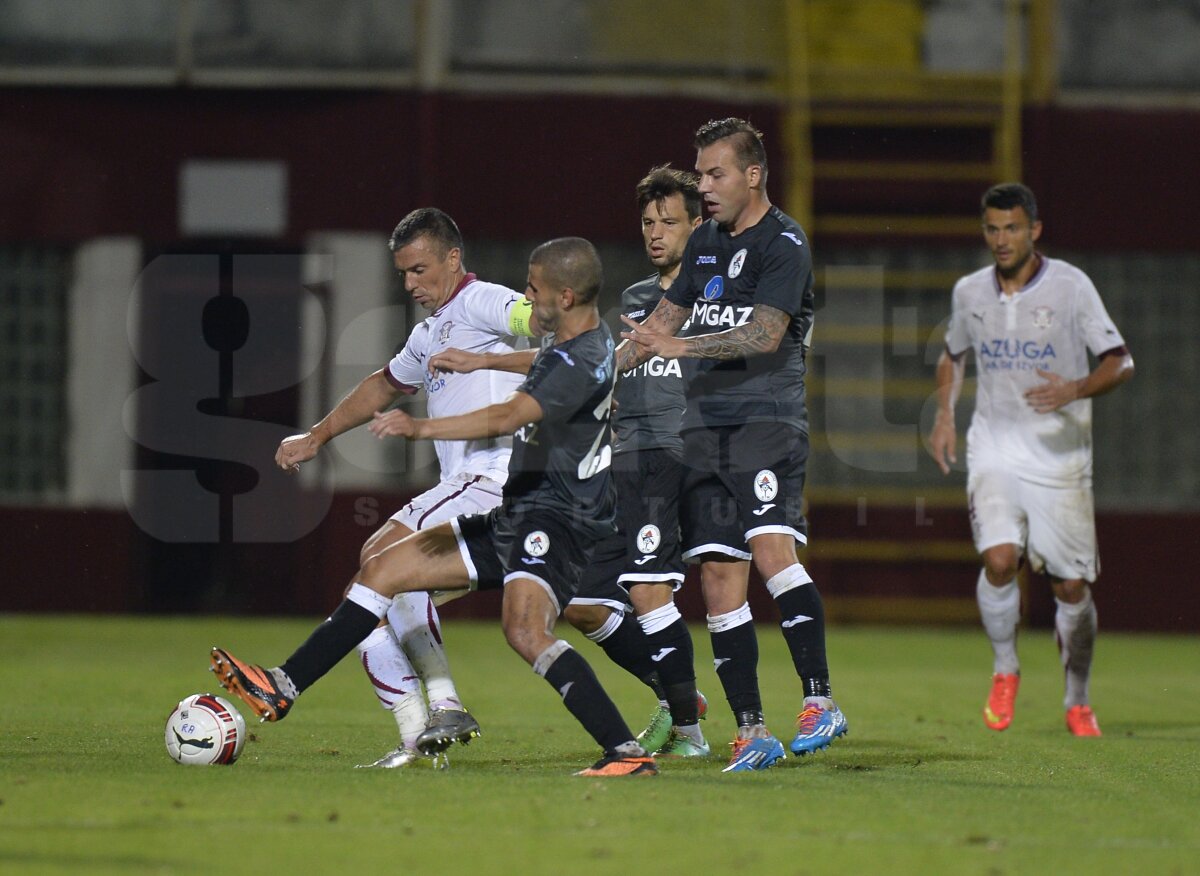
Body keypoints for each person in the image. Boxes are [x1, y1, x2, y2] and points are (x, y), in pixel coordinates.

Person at [213, 237, 659, 777]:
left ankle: (449, 709)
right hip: (517, 513)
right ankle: (285, 686)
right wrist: (481, 360)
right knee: (396, 576)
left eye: (534, 289)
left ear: (562, 297)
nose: (527, 295)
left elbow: (509, 412)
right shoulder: (570, 345)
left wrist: (419, 426)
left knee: (431, 585)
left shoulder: (538, 335)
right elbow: (403, 379)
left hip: (546, 515)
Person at [431, 165, 711, 759]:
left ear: (699, 224)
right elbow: (586, 362)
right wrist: (484, 363)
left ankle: (698, 728)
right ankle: (680, 703)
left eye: (669, 221)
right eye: (647, 222)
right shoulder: (639, 299)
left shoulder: (720, 299)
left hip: (683, 457)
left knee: (658, 591)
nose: (655, 232)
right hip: (620, 465)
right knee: (585, 602)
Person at [271, 207, 539, 768]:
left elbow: (537, 319)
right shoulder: (429, 331)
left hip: (490, 478)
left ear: (453, 258)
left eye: (420, 269)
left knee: (377, 566)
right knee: (378, 585)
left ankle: (301, 685)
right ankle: (425, 726)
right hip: (469, 485)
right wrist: (317, 436)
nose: (411, 283)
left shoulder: (484, 300)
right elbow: (383, 386)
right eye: (403, 274)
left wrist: (552, 330)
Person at [618, 118, 847, 771]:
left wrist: (678, 345)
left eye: (715, 173)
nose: (705, 186)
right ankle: (752, 732)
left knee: (772, 551)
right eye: (701, 173)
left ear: (753, 174)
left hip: (764, 423)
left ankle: (820, 699)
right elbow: (652, 332)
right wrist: (582, 379)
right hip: (702, 431)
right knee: (720, 580)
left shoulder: (785, 244)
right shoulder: (708, 245)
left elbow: (764, 335)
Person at [927, 183, 1134, 737]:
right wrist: (945, 416)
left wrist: (1075, 389)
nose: (1002, 239)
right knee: (999, 560)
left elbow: (1121, 361)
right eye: (992, 229)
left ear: (1034, 230)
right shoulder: (970, 292)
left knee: (1070, 587)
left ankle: (1078, 697)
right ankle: (1005, 669)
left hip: (1059, 458)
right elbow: (953, 354)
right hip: (994, 447)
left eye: (1012, 228)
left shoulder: (1070, 286)